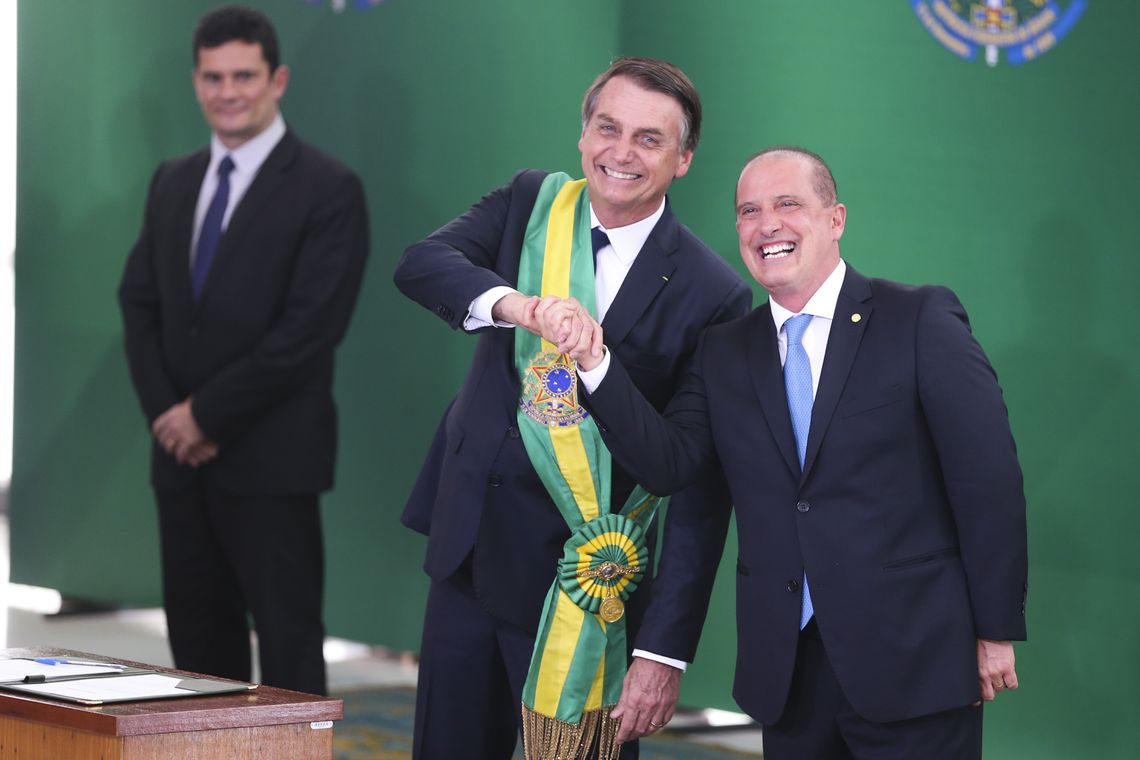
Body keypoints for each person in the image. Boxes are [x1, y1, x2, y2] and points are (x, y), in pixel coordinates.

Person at [541, 146, 1028, 759]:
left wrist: (994, 629)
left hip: (916, 662)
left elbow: (987, 483)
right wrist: (595, 363)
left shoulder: (918, 319)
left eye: (787, 204)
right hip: (788, 676)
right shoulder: (723, 352)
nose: (766, 224)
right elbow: (670, 465)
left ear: (836, 219)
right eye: (748, 211)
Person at [394, 57, 750, 759]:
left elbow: (691, 480)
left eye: (649, 139)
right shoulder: (533, 204)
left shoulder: (715, 294)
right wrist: (516, 306)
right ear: (583, 134)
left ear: (684, 159)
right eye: (607, 128)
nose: (621, 152)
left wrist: (664, 651)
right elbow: (421, 264)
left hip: (588, 592)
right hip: (468, 555)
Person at [118, 5, 369, 696]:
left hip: (272, 464)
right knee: (194, 664)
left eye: (244, 76)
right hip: (180, 467)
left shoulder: (329, 189)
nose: (227, 91)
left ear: (277, 79)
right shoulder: (172, 181)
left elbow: (309, 331)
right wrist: (170, 416)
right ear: (196, 81)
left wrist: (205, 416)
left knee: (289, 659)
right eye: (212, 76)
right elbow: (138, 304)